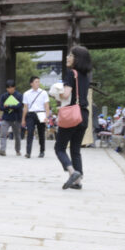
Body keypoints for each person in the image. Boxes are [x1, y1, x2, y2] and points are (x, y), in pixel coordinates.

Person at [52, 45, 92, 189]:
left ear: (77, 59)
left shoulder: (71, 73)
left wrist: (56, 92)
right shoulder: (85, 76)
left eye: (70, 55)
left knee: (59, 148)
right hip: (83, 115)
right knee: (75, 150)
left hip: (71, 115)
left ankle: (72, 172)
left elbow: (66, 95)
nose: (67, 57)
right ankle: (78, 182)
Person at [20, 75, 50, 158]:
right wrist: (23, 119)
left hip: (41, 114)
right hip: (31, 114)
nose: (38, 83)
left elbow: (46, 106)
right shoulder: (26, 93)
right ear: (31, 83)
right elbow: (25, 107)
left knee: (41, 133)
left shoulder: (43, 92)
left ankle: (42, 151)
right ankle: (28, 152)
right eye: (36, 82)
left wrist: (47, 116)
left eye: (38, 82)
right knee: (30, 132)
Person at [0, 79, 23, 156]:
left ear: (14, 87)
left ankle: (18, 150)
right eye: (8, 88)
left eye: (11, 88)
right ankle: (2, 150)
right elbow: (1, 107)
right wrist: (8, 107)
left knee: (17, 135)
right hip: (6, 118)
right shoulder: (4, 96)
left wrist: (9, 106)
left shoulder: (19, 96)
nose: (10, 89)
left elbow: (20, 106)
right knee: (3, 134)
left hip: (16, 118)